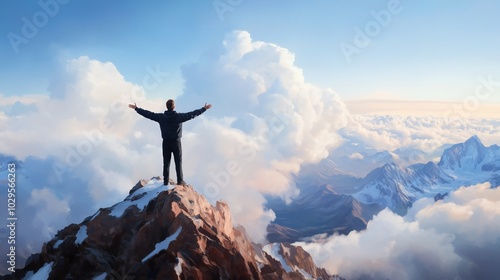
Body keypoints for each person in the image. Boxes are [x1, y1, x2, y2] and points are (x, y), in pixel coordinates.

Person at [129, 99, 212, 186]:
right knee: (178, 162)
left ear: (167, 106)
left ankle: (165, 182)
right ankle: (180, 181)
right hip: (176, 143)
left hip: (166, 143)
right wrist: (204, 108)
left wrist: (136, 108)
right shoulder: (179, 117)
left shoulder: (161, 117)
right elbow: (192, 114)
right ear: (174, 106)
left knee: (166, 163)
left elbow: (149, 114)